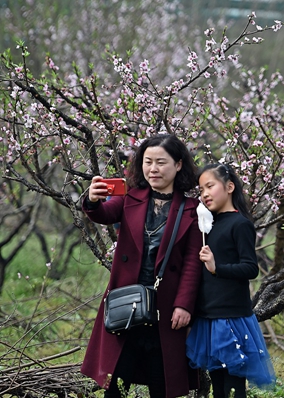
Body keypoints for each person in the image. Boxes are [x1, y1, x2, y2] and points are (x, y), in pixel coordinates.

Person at [82, 134, 203, 398]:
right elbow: (102, 214)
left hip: (166, 308)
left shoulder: (192, 210)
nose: (153, 169)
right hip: (128, 304)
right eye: (148, 162)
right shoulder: (130, 198)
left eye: (161, 162)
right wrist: (92, 199)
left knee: (163, 384)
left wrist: (184, 305)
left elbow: (193, 263)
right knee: (116, 383)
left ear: (179, 165)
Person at [186, 163, 275, 398]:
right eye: (201, 189)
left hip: (231, 316)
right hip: (208, 314)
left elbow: (250, 268)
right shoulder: (208, 225)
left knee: (234, 384)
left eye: (210, 186)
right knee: (218, 384)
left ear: (229, 187)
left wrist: (217, 268)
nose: (204, 193)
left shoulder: (240, 224)